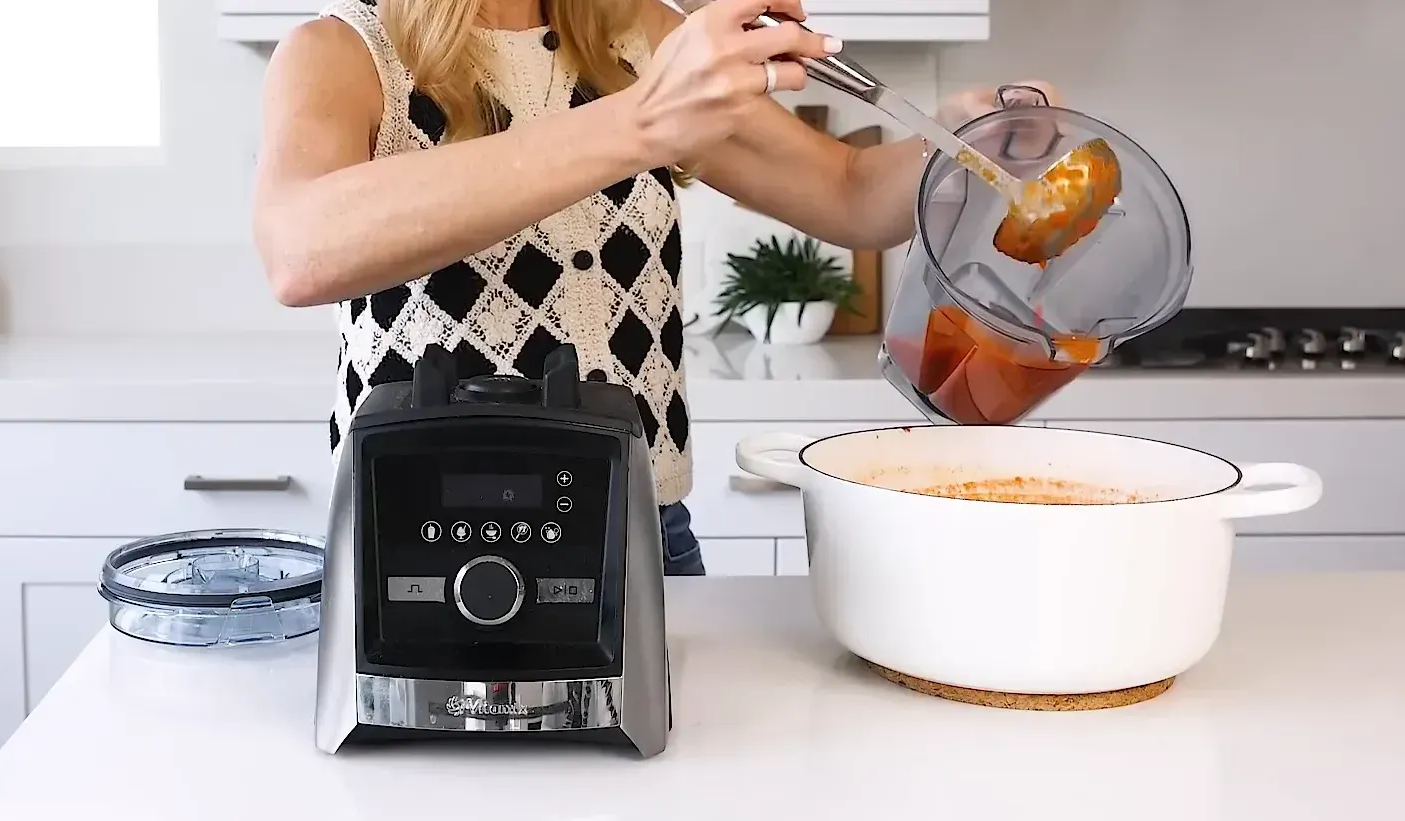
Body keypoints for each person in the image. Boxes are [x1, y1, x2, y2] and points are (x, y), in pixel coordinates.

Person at [251, 0, 1059, 576]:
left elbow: (848, 192)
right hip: (413, 542)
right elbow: (300, 251)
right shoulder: (344, 53)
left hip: (641, 536)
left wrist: (957, 140)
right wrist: (643, 121)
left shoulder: (640, 36)